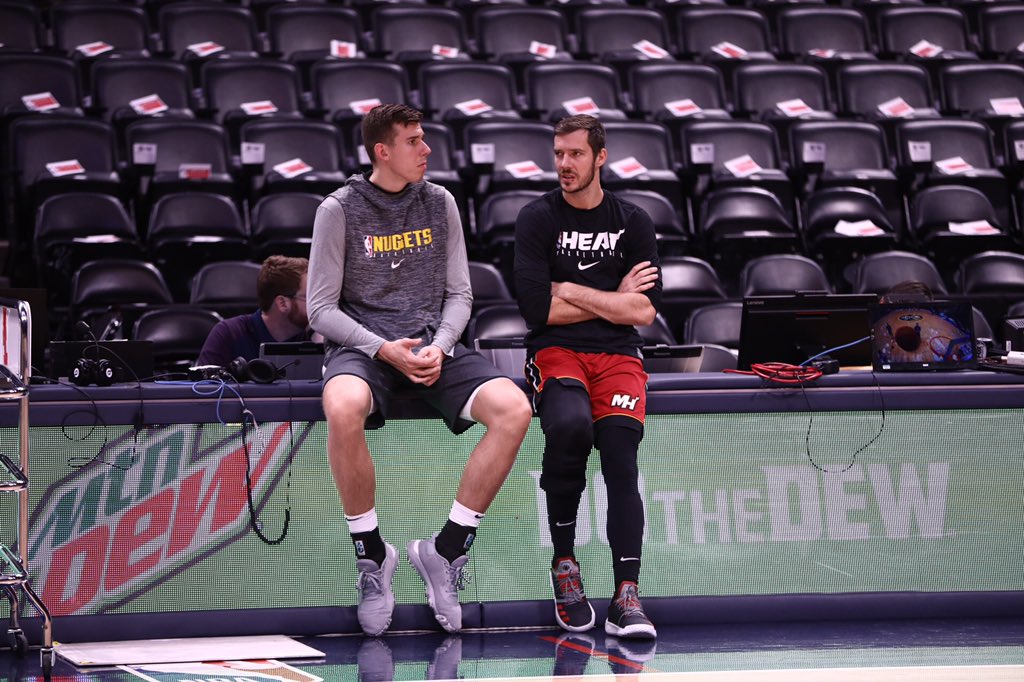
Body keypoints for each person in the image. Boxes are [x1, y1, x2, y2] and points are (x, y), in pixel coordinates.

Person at [306, 103, 532, 637]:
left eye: (424, 138)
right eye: (414, 141)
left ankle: (445, 551)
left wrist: (442, 345)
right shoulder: (338, 209)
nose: (427, 149)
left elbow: (460, 294)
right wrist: (383, 348)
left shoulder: (440, 201)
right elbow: (319, 309)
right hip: (365, 347)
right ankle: (372, 556)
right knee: (342, 405)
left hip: (433, 343)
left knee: (515, 409)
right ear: (382, 151)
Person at [513, 114, 662, 640]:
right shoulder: (536, 218)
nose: (564, 164)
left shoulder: (634, 221)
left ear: (600, 157)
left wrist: (572, 289)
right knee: (571, 427)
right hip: (556, 351)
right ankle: (564, 564)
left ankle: (627, 596)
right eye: (558, 154)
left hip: (619, 355)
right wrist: (613, 298)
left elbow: (643, 311)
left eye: (575, 154)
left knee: (621, 457)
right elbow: (537, 310)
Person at [196, 255, 310, 367]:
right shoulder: (228, 334)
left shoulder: (313, 336)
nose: (316, 304)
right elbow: (204, 380)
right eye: (309, 297)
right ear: (282, 303)